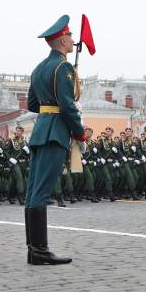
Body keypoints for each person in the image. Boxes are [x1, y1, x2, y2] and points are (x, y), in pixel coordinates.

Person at [24, 15, 86, 265]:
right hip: (56, 133)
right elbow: (68, 106)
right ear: (62, 39)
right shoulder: (64, 67)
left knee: (33, 192)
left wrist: (50, 109)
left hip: (41, 132)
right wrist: (79, 131)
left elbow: (31, 104)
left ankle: (33, 250)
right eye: (70, 36)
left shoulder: (39, 68)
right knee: (41, 192)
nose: (73, 40)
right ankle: (40, 251)